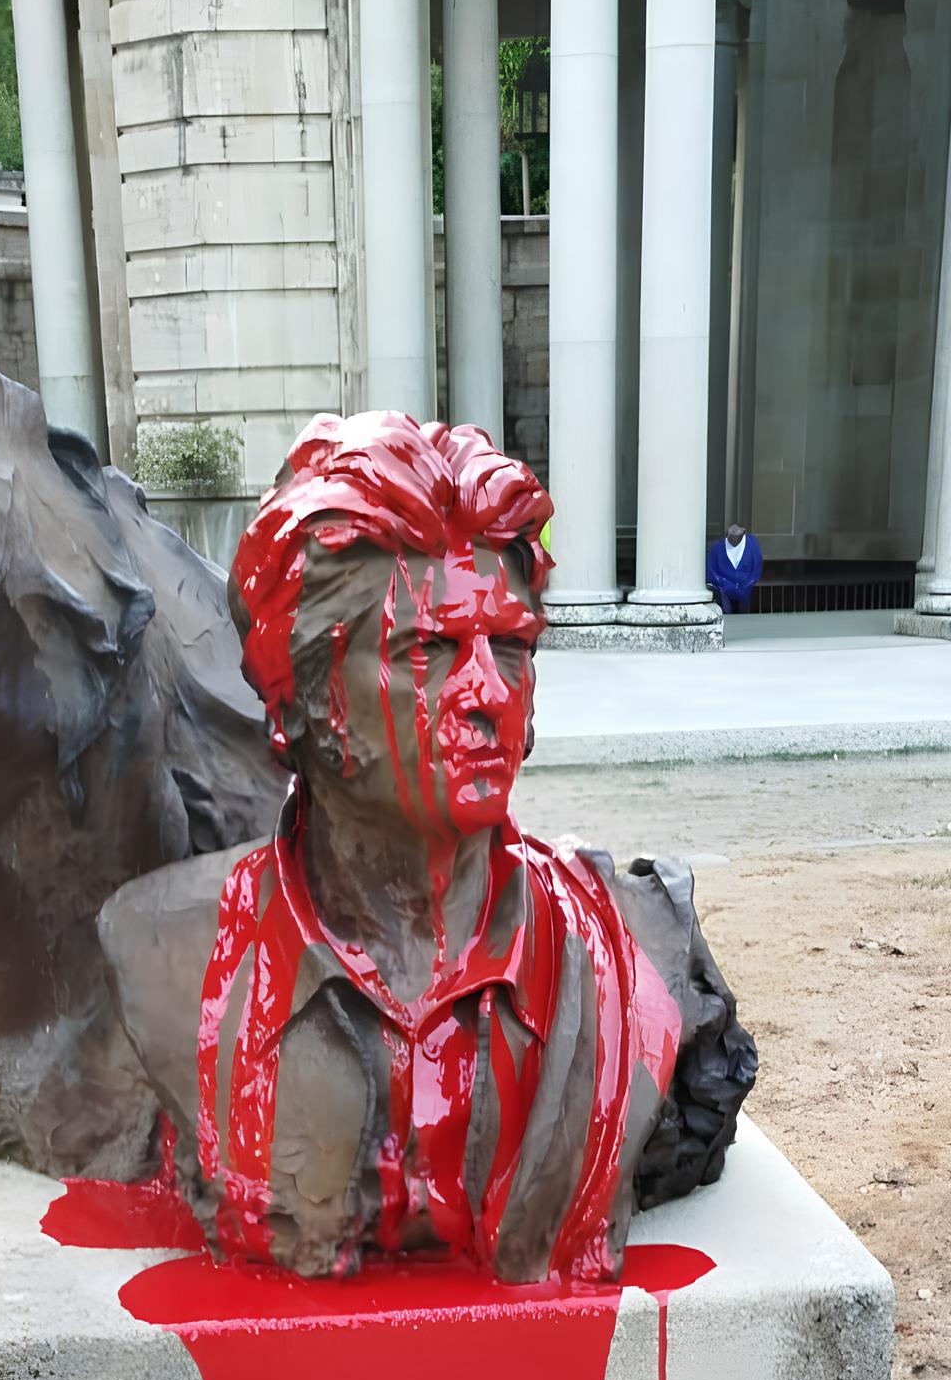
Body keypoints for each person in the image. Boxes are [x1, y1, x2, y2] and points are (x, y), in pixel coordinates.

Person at [100, 412, 757, 1284]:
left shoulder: (636, 947)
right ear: (303, 696)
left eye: (511, 647)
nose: (489, 692)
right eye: (430, 650)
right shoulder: (167, 951)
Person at [706, 521, 762, 612]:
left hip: (745, 590)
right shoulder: (718, 546)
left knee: (744, 614)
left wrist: (747, 584)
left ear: (744, 530)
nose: (735, 528)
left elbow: (757, 568)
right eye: (733, 525)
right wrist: (724, 583)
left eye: (739, 526)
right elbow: (710, 570)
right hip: (724, 590)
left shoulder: (752, 543)